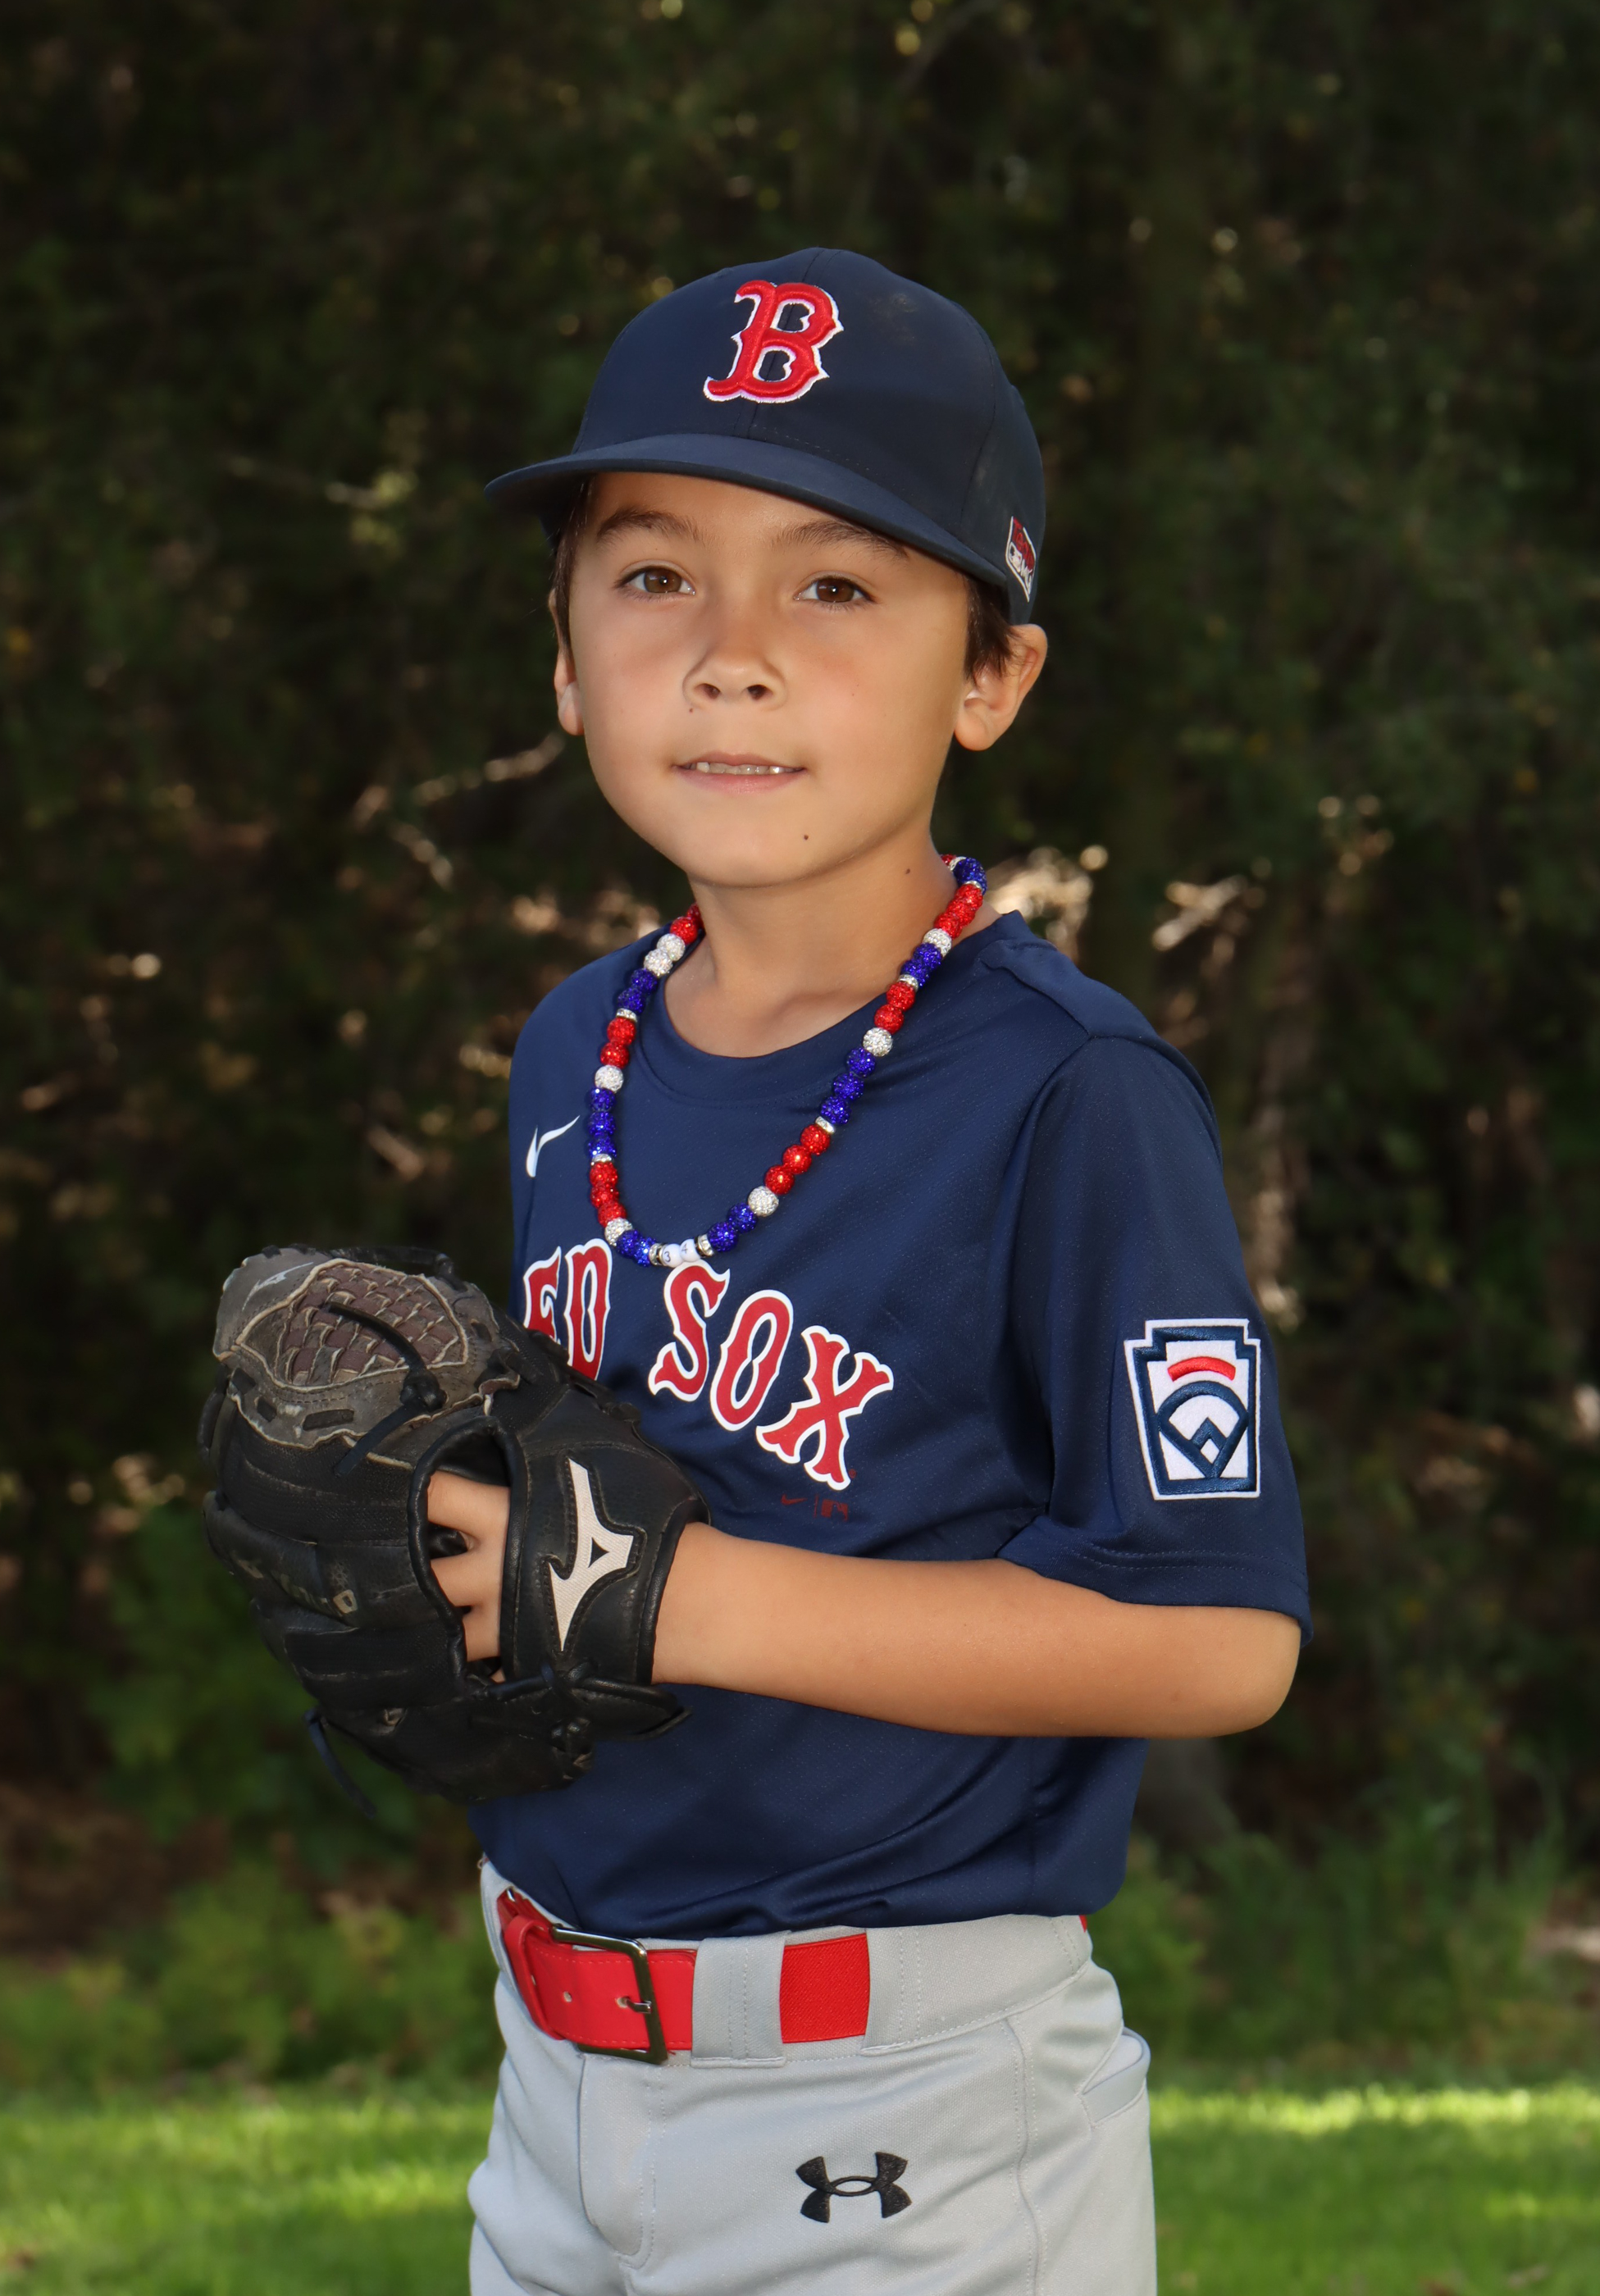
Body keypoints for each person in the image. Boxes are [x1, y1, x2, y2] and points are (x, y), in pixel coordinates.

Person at [426, 248, 1309, 2296]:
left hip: (907, 2099)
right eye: (655, 574)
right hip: (553, 2065)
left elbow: (1215, 1637)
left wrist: (686, 1598)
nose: (731, 656)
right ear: (563, 653)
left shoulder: (1070, 1093)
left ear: (989, 675)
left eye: (835, 584)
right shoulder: (576, 1047)